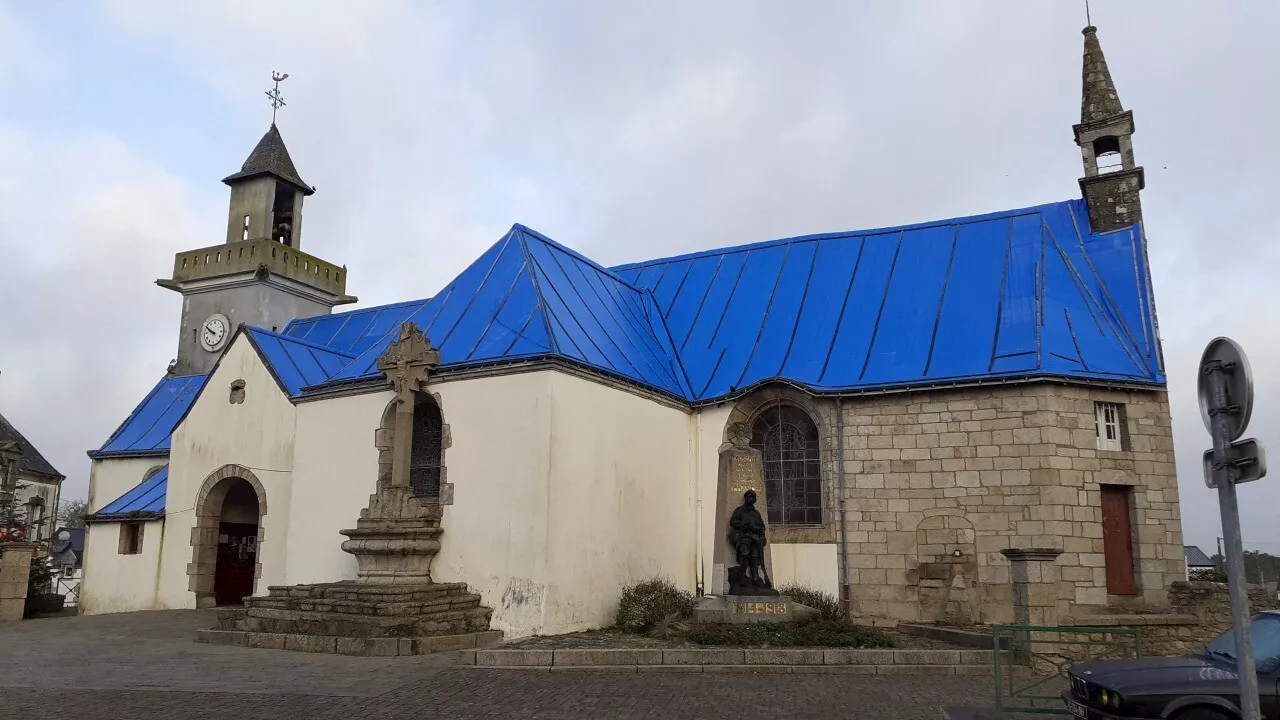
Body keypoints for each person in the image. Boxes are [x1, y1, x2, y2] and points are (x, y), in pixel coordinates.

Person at [728, 490, 771, 590]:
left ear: (754, 499)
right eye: (747, 497)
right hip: (743, 537)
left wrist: (756, 528)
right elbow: (733, 522)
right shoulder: (739, 510)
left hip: (755, 539)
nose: (749, 499)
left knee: (755, 557)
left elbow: (762, 527)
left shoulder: (756, 513)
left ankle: (755, 577)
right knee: (744, 554)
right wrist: (743, 525)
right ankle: (742, 576)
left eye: (751, 497)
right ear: (745, 498)